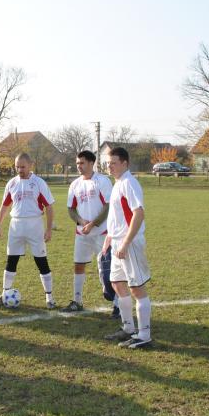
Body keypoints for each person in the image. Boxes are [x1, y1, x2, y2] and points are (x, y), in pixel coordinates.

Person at [101, 147, 153, 349]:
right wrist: (110, 237)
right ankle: (128, 328)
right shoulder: (118, 183)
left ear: (125, 163)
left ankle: (144, 335)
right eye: (108, 163)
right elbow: (118, 216)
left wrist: (125, 243)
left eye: (113, 163)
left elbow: (138, 214)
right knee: (117, 284)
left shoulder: (129, 183)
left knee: (136, 288)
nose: (110, 167)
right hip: (117, 242)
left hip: (129, 243)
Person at [0, 153, 56, 309]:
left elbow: (49, 207)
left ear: (30, 165)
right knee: (11, 260)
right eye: (17, 167)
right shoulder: (12, 183)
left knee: (41, 260)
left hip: (35, 225)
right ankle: (5, 293)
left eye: (23, 167)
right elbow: (5, 205)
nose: (20, 170)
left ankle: (49, 297)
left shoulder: (39, 183)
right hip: (16, 225)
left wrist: (49, 229)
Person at [62, 150, 113, 312]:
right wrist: (81, 221)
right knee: (78, 265)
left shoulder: (102, 181)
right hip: (82, 233)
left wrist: (93, 224)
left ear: (92, 163)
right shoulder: (75, 184)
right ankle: (77, 301)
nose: (79, 166)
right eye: (77, 163)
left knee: (108, 267)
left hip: (102, 233)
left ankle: (117, 305)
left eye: (82, 163)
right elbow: (71, 209)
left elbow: (108, 206)